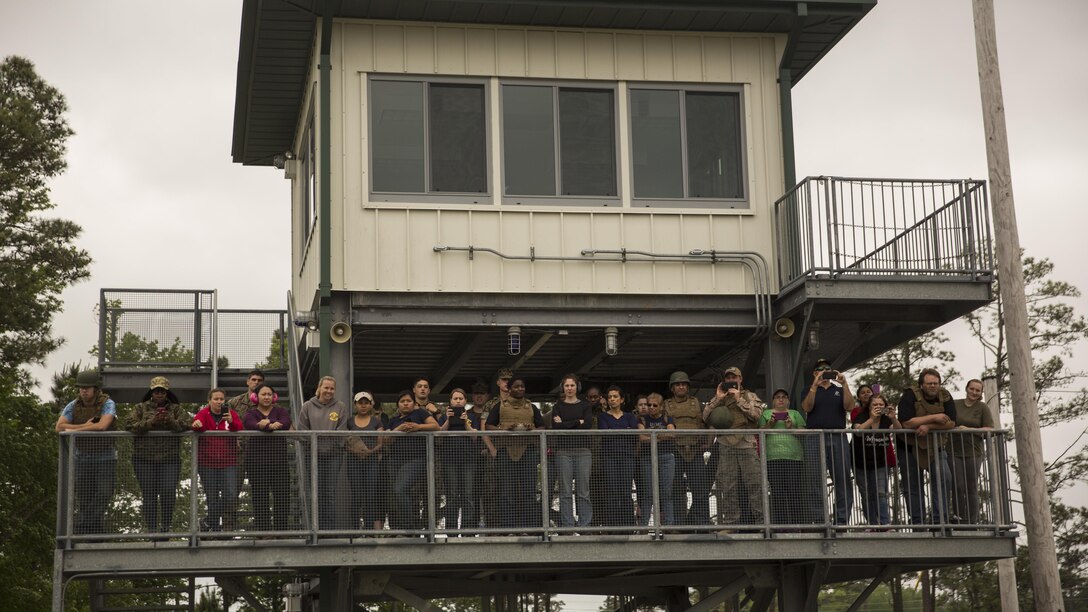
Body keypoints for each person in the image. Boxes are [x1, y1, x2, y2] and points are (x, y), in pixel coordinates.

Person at [56, 369, 118, 536]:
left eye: (87, 387)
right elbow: (59, 427)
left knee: (104, 493)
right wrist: (85, 426)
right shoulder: (73, 405)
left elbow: (102, 426)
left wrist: (75, 429)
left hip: (105, 456)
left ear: (96, 389)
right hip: (82, 456)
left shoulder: (107, 403)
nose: (83, 391)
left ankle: (81, 524)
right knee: (85, 499)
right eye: (81, 388)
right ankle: (94, 536)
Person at [703, 366, 764, 531]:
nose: (731, 381)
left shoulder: (749, 396)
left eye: (734, 378)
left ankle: (762, 523)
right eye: (728, 378)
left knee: (755, 484)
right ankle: (731, 524)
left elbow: (757, 416)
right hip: (726, 445)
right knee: (728, 486)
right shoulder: (720, 398)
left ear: (740, 379)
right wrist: (717, 398)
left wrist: (739, 400)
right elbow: (705, 417)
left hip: (746, 443)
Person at [126, 376, 189, 534]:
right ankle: (152, 529)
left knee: (168, 492)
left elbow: (186, 424)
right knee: (149, 494)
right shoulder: (140, 408)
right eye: (156, 391)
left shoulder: (176, 409)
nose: (159, 394)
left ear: (167, 392)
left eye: (162, 391)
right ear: (151, 392)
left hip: (169, 459)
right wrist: (151, 422)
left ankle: (165, 527)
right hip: (144, 459)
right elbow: (128, 424)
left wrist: (169, 421)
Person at [896, 368, 957, 525]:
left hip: (934, 447)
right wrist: (935, 417)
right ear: (921, 385)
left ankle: (940, 521)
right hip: (908, 447)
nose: (933, 386)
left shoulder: (946, 396)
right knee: (913, 485)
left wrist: (929, 427)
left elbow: (951, 423)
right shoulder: (909, 396)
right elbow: (906, 422)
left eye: (936, 383)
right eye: (929, 383)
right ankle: (918, 523)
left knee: (944, 477)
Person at [484, 376, 545, 530]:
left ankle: (529, 528)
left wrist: (533, 430)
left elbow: (542, 427)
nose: (520, 389)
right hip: (505, 450)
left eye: (522, 386)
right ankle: (507, 528)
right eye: (516, 386)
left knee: (529, 491)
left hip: (528, 450)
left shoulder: (532, 407)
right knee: (506, 491)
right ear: (509, 389)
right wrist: (503, 429)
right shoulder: (499, 406)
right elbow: (489, 426)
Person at [800, 358, 856, 525]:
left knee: (842, 478)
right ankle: (819, 519)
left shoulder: (838, 389)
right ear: (815, 372)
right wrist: (814, 386)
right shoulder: (808, 389)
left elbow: (850, 406)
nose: (824, 371)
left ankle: (842, 519)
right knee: (815, 479)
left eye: (827, 368)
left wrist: (844, 384)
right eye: (820, 368)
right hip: (815, 438)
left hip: (837, 437)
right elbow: (807, 407)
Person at [298, 375, 348, 530]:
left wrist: (327, 442)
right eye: (326, 387)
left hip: (334, 455)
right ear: (319, 388)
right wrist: (315, 443)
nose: (329, 391)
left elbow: (342, 430)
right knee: (315, 493)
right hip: (313, 455)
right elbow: (302, 430)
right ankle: (315, 529)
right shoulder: (307, 406)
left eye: (332, 388)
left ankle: (328, 530)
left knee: (329, 493)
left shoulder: (340, 406)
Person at [386, 390, 440, 531]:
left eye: (408, 401)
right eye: (402, 401)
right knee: (399, 494)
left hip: (416, 459)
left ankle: (408, 527)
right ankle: (405, 528)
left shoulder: (420, 414)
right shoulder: (393, 420)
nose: (405, 403)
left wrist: (418, 427)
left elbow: (435, 426)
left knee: (400, 489)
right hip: (395, 460)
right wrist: (399, 429)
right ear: (398, 405)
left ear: (414, 404)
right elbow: (386, 440)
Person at [192, 388, 243, 532]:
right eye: (216, 399)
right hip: (207, 462)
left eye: (222, 399)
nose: (219, 402)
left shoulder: (230, 413)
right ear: (209, 400)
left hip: (228, 461)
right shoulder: (203, 413)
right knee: (211, 497)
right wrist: (197, 425)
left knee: (231, 494)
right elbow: (197, 424)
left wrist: (232, 422)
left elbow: (238, 428)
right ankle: (213, 529)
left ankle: (207, 521)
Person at [664, 371, 711, 527]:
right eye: (677, 384)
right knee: (676, 490)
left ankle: (702, 525)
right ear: (672, 388)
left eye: (684, 384)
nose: (681, 387)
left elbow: (705, 423)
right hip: (674, 451)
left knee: (701, 490)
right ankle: (678, 525)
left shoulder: (696, 403)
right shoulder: (666, 404)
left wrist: (708, 442)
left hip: (695, 450)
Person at [243, 384, 292, 533]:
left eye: (269, 394)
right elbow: (250, 424)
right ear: (255, 397)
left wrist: (266, 424)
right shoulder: (250, 413)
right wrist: (270, 425)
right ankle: (264, 532)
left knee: (282, 497)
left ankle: (281, 531)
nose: (266, 397)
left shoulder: (281, 411)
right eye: (263, 394)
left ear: (274, 397)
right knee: (260, 498)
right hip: (256, 464)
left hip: (279, 463)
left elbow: (286, 423)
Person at [758, 389, 808, 526]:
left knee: (794, 491)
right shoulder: (766, 413)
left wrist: (791, 427)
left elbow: (803, 434)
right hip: (772, 457)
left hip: (793, 457)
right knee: (777, 492)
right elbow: (760, 434)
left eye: (784, 397)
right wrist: (770, 424)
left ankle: (797, 525)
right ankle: (781, 526)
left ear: (788, 400)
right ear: (773, 400)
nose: (781, 399)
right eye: (778, 397)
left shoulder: (795, 413)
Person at [550, 374, 594, 529]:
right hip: (563, 452)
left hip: (583, 451)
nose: (569, 388)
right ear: (563, 387)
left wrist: (566, 423)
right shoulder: (557, 406)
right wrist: (577, 422)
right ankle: (568, 526)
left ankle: (584, 525)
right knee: (565, 491)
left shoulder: (585, 405)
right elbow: (556, 427)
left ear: (577, 387)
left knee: (583, 490)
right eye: (567, 385)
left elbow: (587, 424)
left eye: (572, 385)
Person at [851, 393, 901, 527]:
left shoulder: (886, 419)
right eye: (875, 404)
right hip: (860, 461)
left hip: (880, 461)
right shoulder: (862, 416)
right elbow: (857, 430)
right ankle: (872, 524)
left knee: (880, 493)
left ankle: (884, 523)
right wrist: (872, 419)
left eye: (881, 404)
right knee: (866, 494)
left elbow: (899, 431)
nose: (878, 407)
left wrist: (894, 418)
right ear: (869, 406)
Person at [437, 388, 482, 531]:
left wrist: (465, 423)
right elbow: (439, 436)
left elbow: (475, 437)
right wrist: (449, 420)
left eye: (460, 398)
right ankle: (451, 530)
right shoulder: (444, 417)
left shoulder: (472, 416)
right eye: (455, 398)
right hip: (449, 460)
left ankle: (467, 530)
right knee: (451, 494)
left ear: (465, 401)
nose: (457, 401)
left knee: (468, 494)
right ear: (450, 401)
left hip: (469, 460)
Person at [950, 379, 994, 524]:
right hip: (953, 450)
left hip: (973, 452)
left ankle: (972, 520)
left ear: (981, 393)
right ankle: (959, 517)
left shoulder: (982, 408)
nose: (974, 392)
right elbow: (946, 421)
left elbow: (989, 429)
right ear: (967, 388)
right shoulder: (955, 404)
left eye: (977, 390)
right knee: (957, 485)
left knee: (971, 486)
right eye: (972, 389)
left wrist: (970, 430)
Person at [596, 385, 640, 528]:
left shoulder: (629, 416)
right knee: (612, 490)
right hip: (609, 457)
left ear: (621, 399)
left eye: (615, 397)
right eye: (610, 397)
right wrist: (624, 430)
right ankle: (612, 526)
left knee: (625, 491)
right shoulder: (602, 416)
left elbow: (633, 433)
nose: (612, 399)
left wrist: (614, 430)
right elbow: (604, 432)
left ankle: (628, 526)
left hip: (627, 456)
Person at [345, 391, 385, 531]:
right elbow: (344, 441)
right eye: (360, 403)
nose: (363, 406)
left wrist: (370, 451)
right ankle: (355, 530)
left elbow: (381, 442)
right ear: (355, 405)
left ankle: (368, 530)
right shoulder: (349, 421)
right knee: (356, 495)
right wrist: (354, 451)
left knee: (370, 495)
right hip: (353, 462)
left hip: (371, 462)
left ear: (371, 405)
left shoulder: (376, 421)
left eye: (366, 403)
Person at [637, 392, 675, 527]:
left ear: (661, 406)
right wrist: (660, 436)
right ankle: (643, 526)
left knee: (666, 492)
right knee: (648, 492)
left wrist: (652, 436)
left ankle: (669, 525)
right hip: (647, 458)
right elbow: (641, 437)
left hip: (666, 457)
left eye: (654, 405)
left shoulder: (667, 418)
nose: (651, 407)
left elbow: (671, 434)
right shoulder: (642, 419)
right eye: (649, 405)